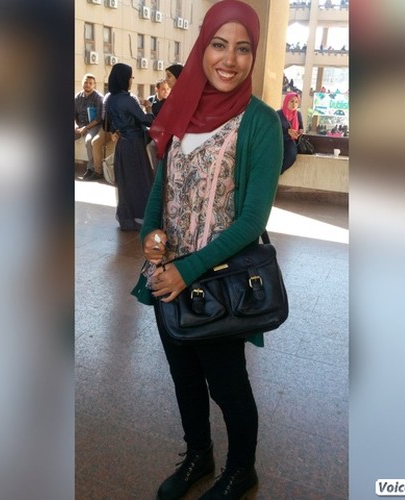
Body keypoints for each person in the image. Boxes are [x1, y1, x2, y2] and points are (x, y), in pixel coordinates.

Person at [131, 1, 283, 498]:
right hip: (166, 278)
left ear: (253, 56)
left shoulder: (261, 123)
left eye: (243, 48)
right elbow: (161, 188)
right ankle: (199, 455)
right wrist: (150, 235)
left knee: (227, 383)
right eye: (219, 44)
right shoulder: (183, 109)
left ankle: (241, 469)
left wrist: (189, 269)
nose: (229, 59)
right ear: (202, 47)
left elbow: (252, 220)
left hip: (218, 282)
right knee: (184, 378)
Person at [105, 63, 155, 231]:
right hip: (134, 145)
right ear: (124, 79)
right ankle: (143, 218)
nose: (131, 80)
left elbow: (110, 124)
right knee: (140, 181)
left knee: (126, 183)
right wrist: (150, 109)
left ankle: (128, 218)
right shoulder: (127, 99)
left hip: (122, 145)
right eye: (130, 77)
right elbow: (146, 120)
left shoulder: (110, 99)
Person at [74, 73, 104, 180]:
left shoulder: (98, 98)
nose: (88, 85)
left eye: (90, 83)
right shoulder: (77, 97)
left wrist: (86, 128)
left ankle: (91, 168)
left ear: (94, 85)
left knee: (89, 140)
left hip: (93, 125)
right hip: (79, 126)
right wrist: (75, 126)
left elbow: (99, 118)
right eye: (86, 82)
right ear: (82, 83)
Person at [277, 91, 304, 173]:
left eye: (296, 102)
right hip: (279, 140)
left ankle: (277, 173)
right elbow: (274, 129)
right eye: (291, 101)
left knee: (291, 155)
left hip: (291, 141)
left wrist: (299, 132)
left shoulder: (298, 114)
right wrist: (287, 131)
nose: (294, 104)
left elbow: (301, 128)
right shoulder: (278, 114)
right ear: (286, 101)